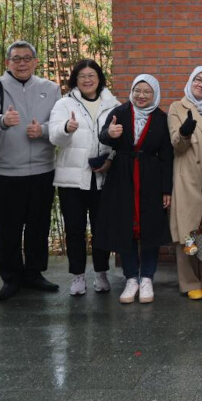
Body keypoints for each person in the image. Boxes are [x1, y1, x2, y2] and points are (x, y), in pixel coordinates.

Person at [0, 41, 61, 301]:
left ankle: (34, 273)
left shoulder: (51, 88)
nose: (22, 63)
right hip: (6, 171)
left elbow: (59, 124)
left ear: (35, 61)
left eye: (27, 58)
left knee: (39, 226)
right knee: (8, 228)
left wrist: (43, 130)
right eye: (16, 59)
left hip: (42, 170)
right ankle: (11, 277)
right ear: (7, 62)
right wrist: (2, 120)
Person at [97, 74, 173, 305]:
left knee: (150, 227)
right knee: (125, 225)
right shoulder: (119, 112)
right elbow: (104, 136)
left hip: (151, 176)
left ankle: (147, 277)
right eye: (137, 90)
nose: (141, 95)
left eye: (147, 92)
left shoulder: (161, 118)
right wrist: (109, 134)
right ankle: (131, 278)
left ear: (155, 94)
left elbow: (167, 155)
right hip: (122, 176)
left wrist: (166, 189)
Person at [49, 59, 120, 297]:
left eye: (92, 75)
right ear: (75, 79)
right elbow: (54, 137)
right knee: (75, 229)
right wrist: (66, 128)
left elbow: (121, 140)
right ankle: (78, 275)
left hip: (102, 177)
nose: (87, 80)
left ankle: (101, 272)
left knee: (102, 228)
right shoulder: (64, 103)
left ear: (99, 78)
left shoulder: (113, 105)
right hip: (71, 179)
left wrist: (110, 160)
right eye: (82, 76)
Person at [168, 66, 202, 300]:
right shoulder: (176, 107)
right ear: (190, 81)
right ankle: (189, 282)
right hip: (187, 179)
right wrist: (184, 133)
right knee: (188, 233)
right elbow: (177, 145)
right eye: (198, 79)